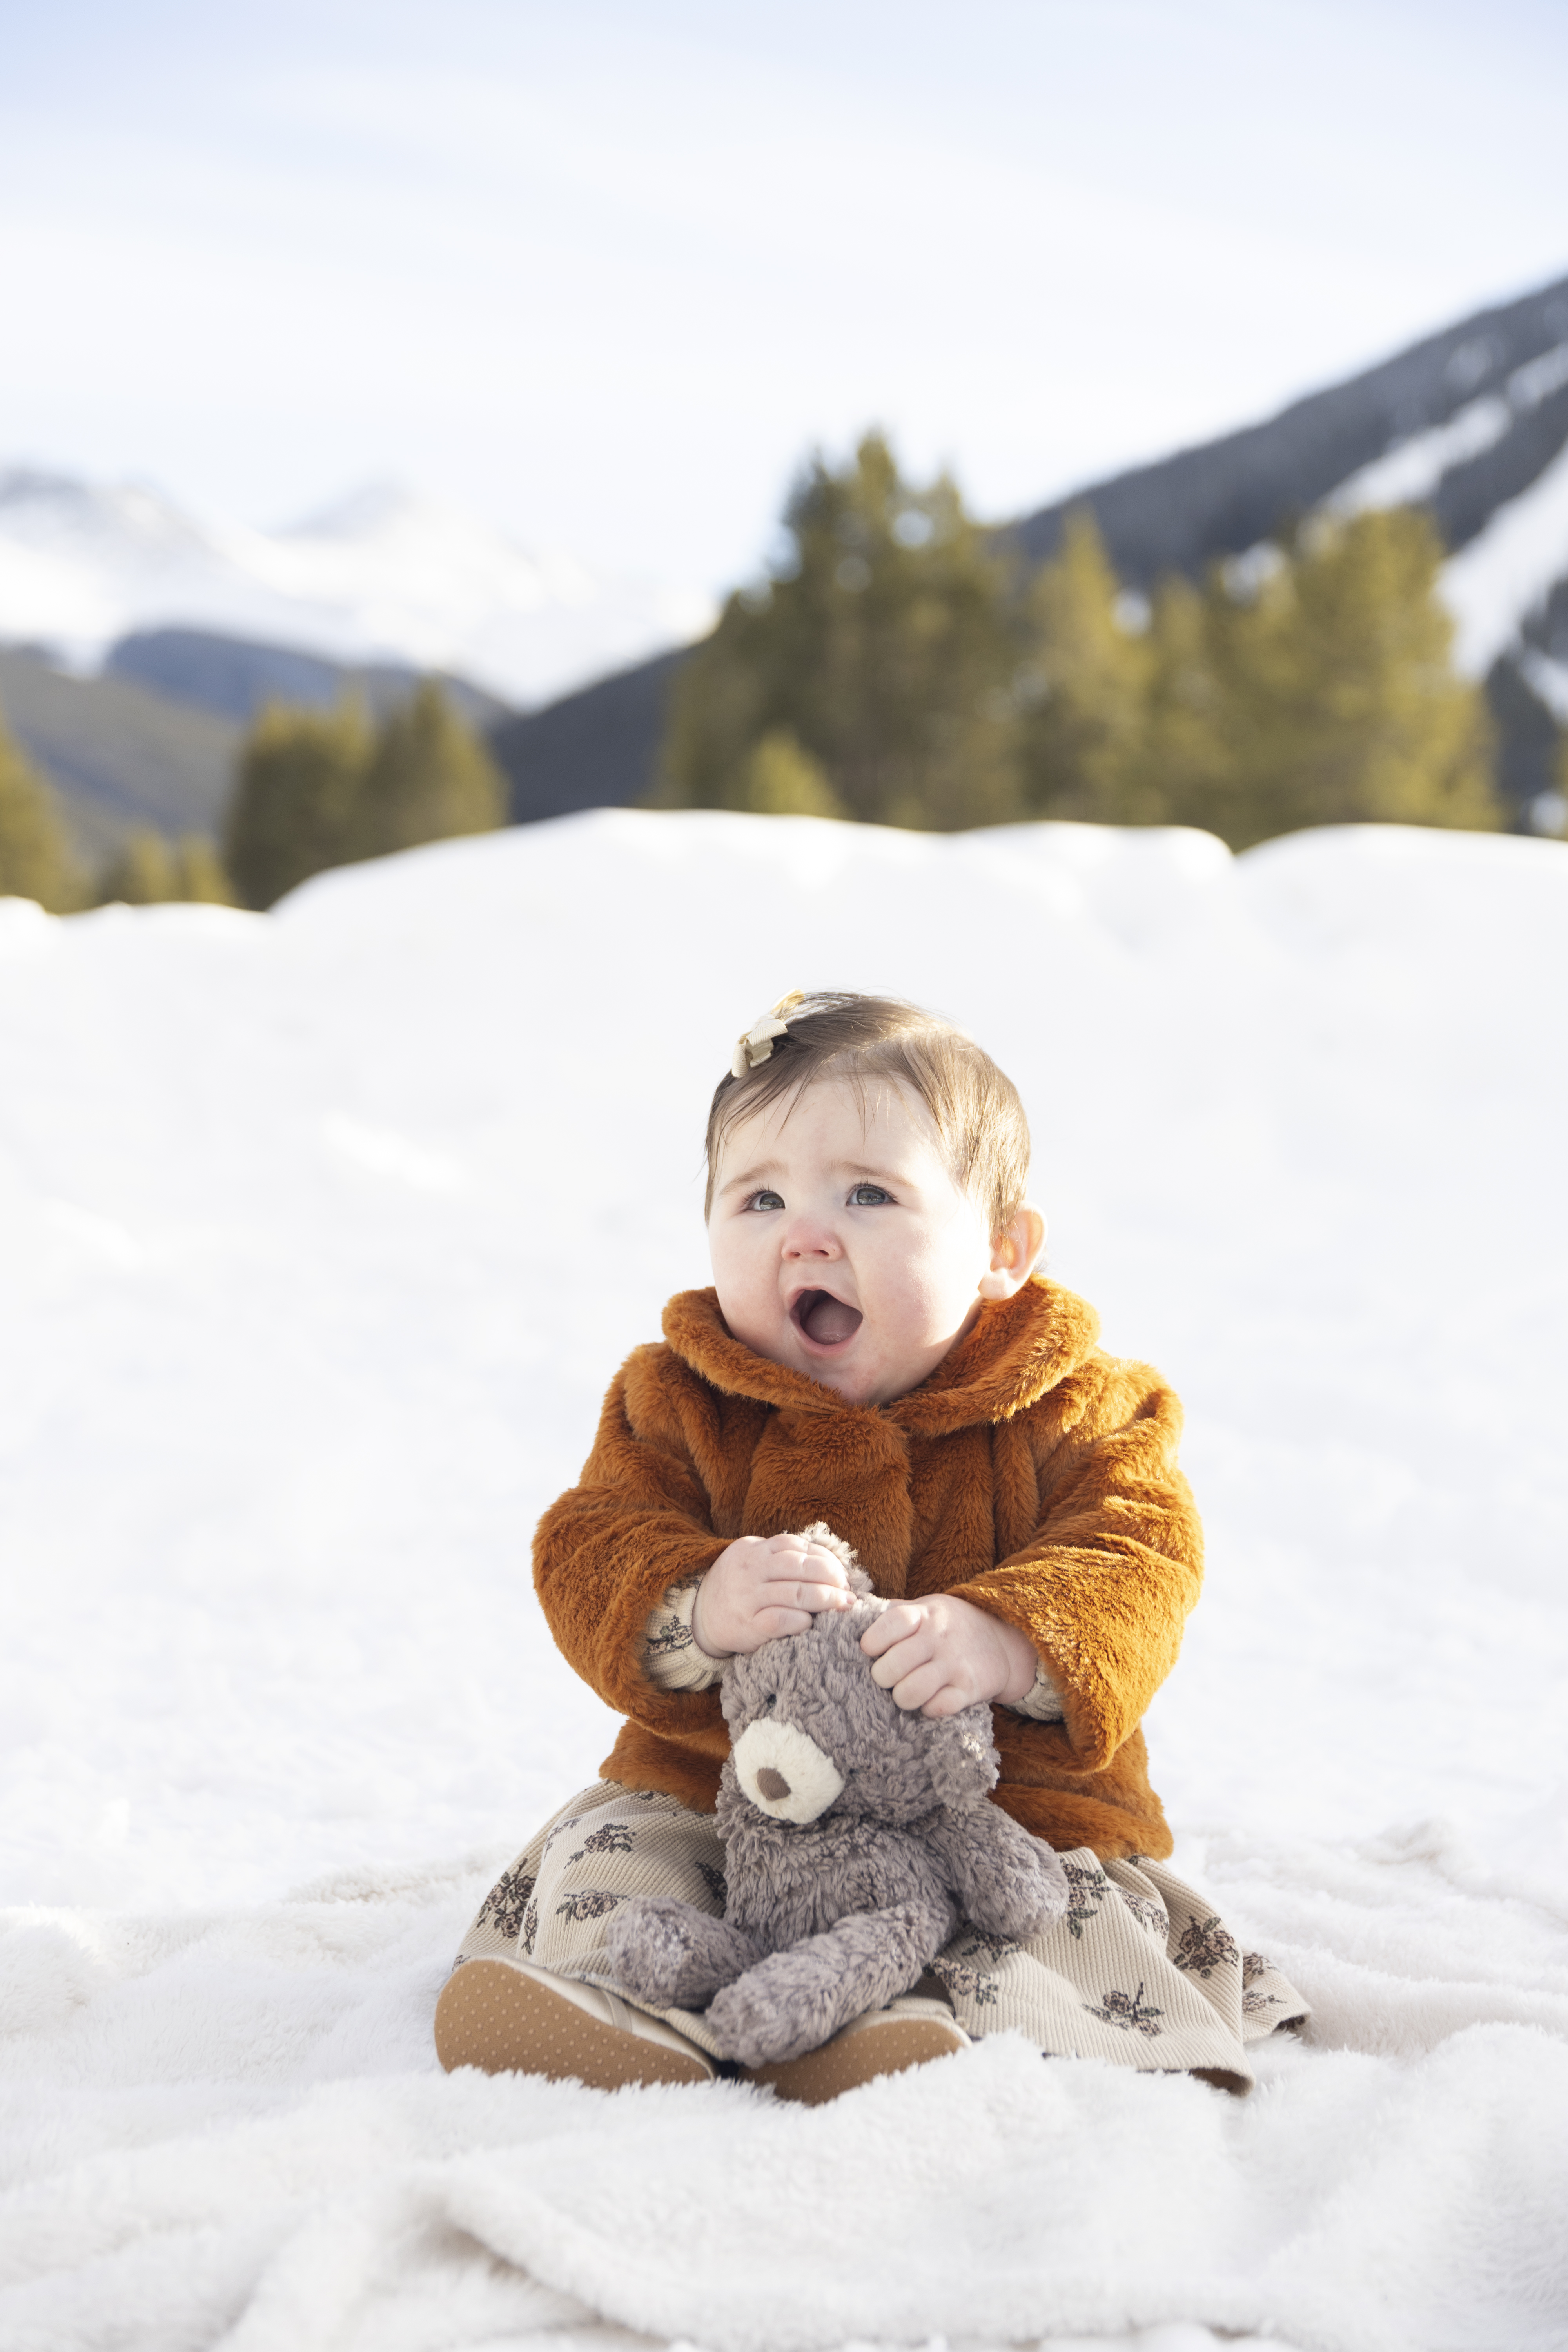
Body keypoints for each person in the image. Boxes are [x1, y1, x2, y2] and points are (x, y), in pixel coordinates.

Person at [434, 991, 1304, 2101]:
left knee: (1043, 1924)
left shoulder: (1078, 1405)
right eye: (759, 1197)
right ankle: (620, 2015)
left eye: (867, 1193)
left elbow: (1140, 1554)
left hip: (1001, 1818)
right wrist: (696, 1605)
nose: (806, 1230)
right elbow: (589, 1542)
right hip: (725, 1795)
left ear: (1001, 1249)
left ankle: (895, 2033)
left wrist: (1006, 1640)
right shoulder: (680, 1397)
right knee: (627, 1867)